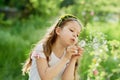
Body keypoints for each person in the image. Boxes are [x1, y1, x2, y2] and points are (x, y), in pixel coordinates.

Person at [22, 14, 83, 80]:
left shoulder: (69, 54)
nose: (75, 35)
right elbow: (45, 77)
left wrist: (73, 59)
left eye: (77, 35)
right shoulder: (41, 49)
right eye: (71, 30)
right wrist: (65, 58)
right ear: (58, 31)